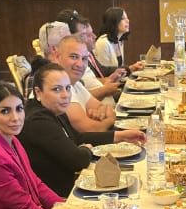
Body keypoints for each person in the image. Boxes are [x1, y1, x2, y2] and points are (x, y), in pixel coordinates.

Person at [20, 65, 144, 198]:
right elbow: (78, 160)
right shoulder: (38, 121)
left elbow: (77, 138)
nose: (65, 95)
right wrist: (86, 149)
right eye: (57, 89)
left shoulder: (53, 109)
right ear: (38, 92)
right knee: (133, 189)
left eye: (68, 88)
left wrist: (119, 136)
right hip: (59, 196)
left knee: (135, 178)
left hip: (72, 183)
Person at [56, 9, 123, 102]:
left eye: (84, 59)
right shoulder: (65, 75)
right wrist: (106, 89)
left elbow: (88, 88)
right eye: (83, 35)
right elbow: (80, 100)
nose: (94, 37)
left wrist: (107, 80)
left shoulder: (77, 78)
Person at [53, 35, 116, 131]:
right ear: (57, 57)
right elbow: (89, 129)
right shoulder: (57, 86)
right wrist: (110, 119)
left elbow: (103, 107)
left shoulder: (75, 84)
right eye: (74, 57)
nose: (80, 64)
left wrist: (101, 113)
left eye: (84, 59)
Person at [94, 7, 144, 73]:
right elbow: (103, 73)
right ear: (113, 21)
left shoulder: (119, 41)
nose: (128, 21)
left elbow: (118, 69)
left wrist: (131, 68)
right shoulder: (103, 42)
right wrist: (129, 69)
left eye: (127, 18)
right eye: (123, 18)